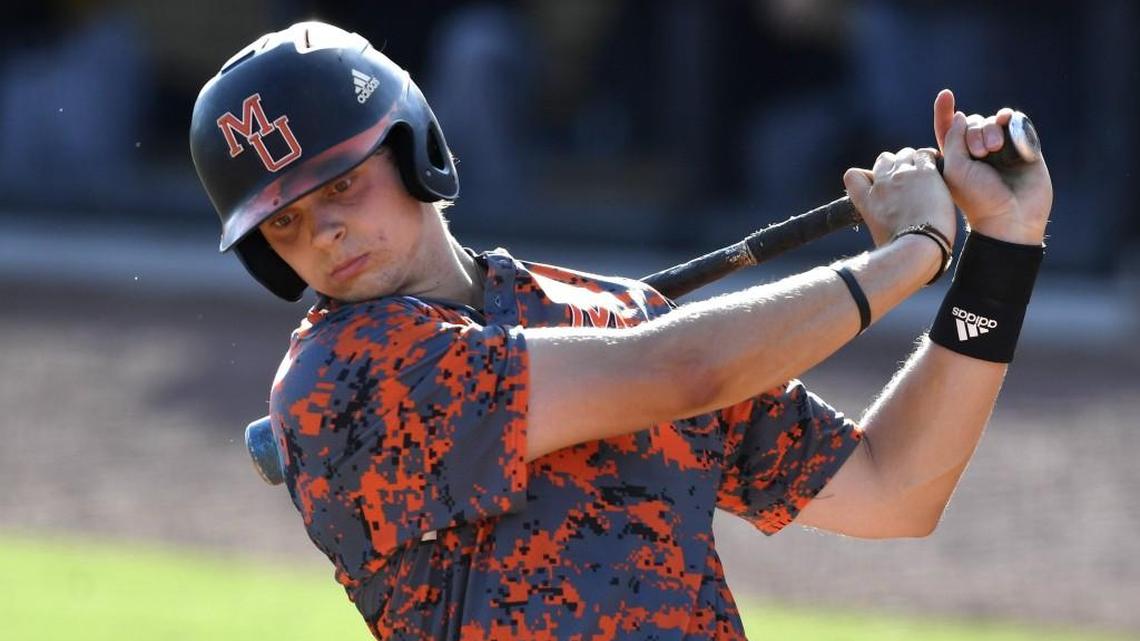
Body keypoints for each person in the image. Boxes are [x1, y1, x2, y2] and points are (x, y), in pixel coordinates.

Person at [189, 22, 1051, 641]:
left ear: (413, 147)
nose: (324, 232)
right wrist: (916, 251)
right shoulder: (340, 383)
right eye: (287, 222)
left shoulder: (604, 317)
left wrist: (1000, 253)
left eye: (341, 184)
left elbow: (895, 486)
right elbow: (684, 372)